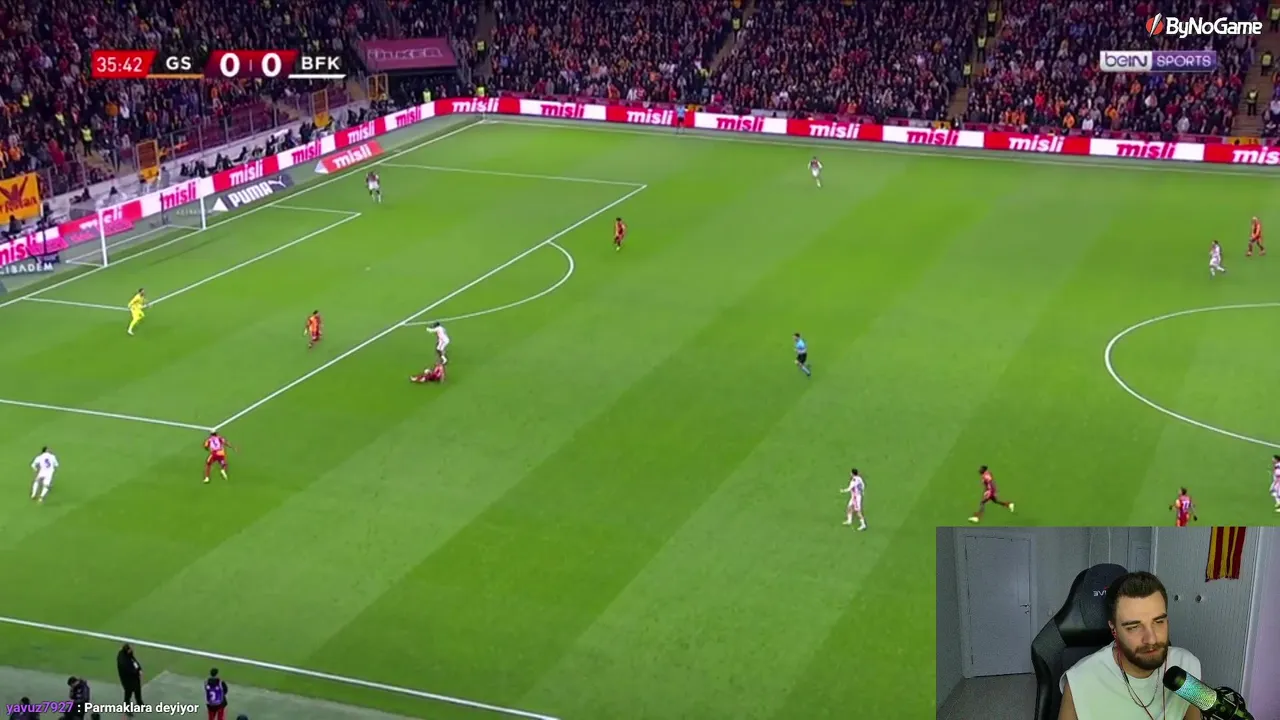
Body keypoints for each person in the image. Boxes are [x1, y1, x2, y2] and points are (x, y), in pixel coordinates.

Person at [1058, 571, 1203, 720]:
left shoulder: (1186, 664)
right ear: (1114, 629)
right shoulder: (1080, 681)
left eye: (1159, 622)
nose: (1151, 639)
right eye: (1134, 627)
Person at [117, 642, 143, 716]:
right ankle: (127, 710)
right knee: (128, 695)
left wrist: (139, 668)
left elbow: (134, 660)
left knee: (137, 690)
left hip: (134, 677)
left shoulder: (127, 655)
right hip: (127, 680)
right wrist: (138, 672)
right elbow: (130, 670)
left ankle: (140, 703)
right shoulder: (123, 661)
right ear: (128, 650)